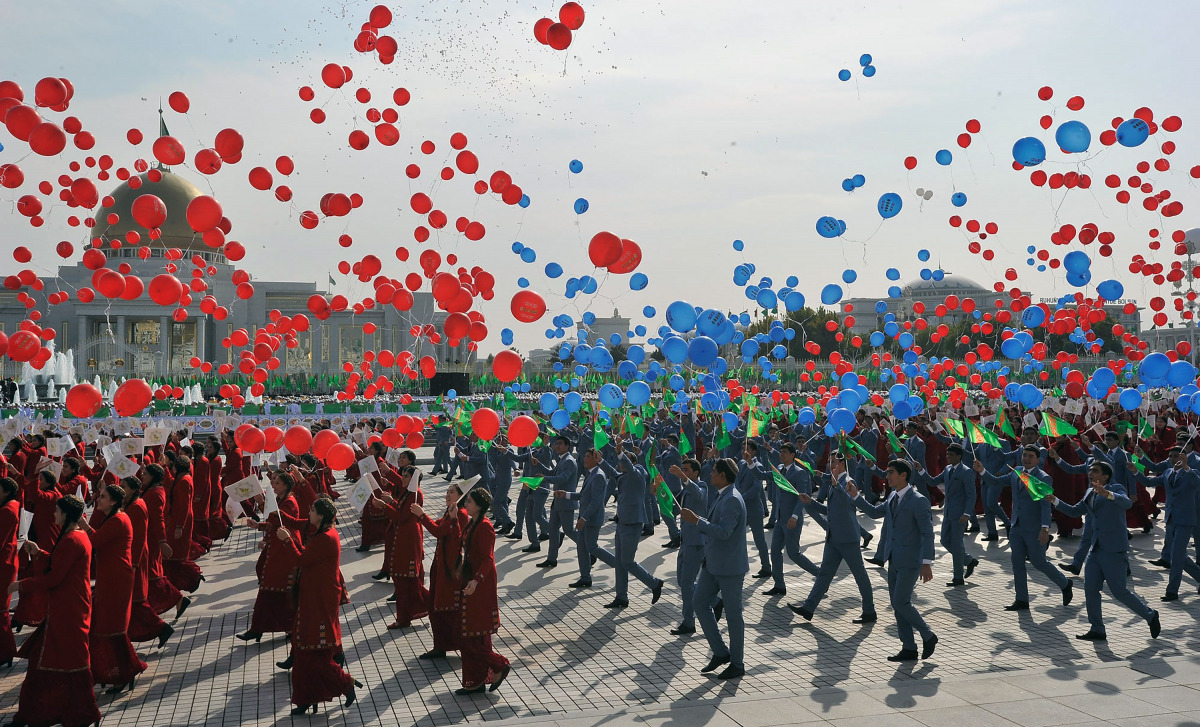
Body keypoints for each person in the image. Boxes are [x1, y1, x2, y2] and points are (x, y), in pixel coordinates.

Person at [6, 494, 103, 727]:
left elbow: (54, 577)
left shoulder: (72, 539)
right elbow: (59, 566)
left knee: (63, 663)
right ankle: (33, 715)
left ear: (67, 514)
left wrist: (22, 584)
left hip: (68, 610)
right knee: (47, 663)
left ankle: (78, 713)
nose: (54, 514)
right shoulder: (75, 537)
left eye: (57, 511)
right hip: (66, 607)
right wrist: (39, 553)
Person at [1049, 460, 1161, 641]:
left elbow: (1126, 504)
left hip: (1114, 549)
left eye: (1094, 471)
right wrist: (1055, 500)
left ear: (1105, 476)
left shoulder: (1116, 488)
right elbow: (1074, 511)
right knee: (1090, 589)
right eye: (1090, 470)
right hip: (1096, 549)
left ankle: (1150, 615)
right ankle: (1097, 628)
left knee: (1119, 591)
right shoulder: (1089, 492)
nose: (1090, 473)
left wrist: (1107, 494)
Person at [277, 495, 361, 715]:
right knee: (304, 651)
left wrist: (287, 540)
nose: (309, 513)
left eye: (312, 510)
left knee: (313, 653)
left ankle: (345, 683)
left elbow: (301, 560)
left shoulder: (326, 537)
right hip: (313, 598)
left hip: (319, 602)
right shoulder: (323, 533)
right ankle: (305, 698)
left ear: (322, 515)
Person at [853, 459, 938, 662]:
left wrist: (926, 563)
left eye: (891, 473)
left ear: (903, 476)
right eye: (888, 472)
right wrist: (855, 495)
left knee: (901, 601)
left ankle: (928, 635)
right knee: (896, 604)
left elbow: (928, 533)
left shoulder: (918, 500)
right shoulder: (892, 495)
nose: (887, 476)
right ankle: (908, 647)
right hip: (893, 558)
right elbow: (874, 513)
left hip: (911, 560)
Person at [976, 446, 1074, 612]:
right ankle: (1021, 600)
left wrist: (1044, 528)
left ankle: (1065, 583)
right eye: (1024, 455)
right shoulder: (1016, 472)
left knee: (1039, 562)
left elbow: (1045, 505)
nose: (1026, 459)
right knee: (1017, 563)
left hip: (1034, 528)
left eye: (1030, 456)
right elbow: (996, 481)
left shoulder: (1043, 478)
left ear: (1038, 459)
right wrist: (982, 470)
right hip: (1016, 526)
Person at [680, 458, 747, 680]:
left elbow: (724, 532)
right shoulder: (723, 496)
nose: (710, 475)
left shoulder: (732, 500)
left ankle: (737, 663)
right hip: (713, 563)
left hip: (729, 567)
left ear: (723, 476)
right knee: (698, 602)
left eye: (714, 472)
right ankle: (720, 651)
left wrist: (696, 520)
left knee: (734, 616)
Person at [790, 455, 876, 624]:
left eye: (834, 462)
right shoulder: (833, 483)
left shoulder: (849, 483)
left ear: (843, 464)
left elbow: (849, 502)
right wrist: (810, 502)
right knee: (824, 574)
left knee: (860, 575)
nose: (830, 465)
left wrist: (838, 487)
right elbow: (829, 509)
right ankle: (809, 608)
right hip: (833, 537)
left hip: (848, 538)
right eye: (829, 462)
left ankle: (869, 611)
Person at [80, 483, 147, 694]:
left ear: (114, 501)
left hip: (116, 578)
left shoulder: (119, 519)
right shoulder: (116, 518)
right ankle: (120, 671)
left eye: (102, 497)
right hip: (112, 575)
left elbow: (94, 542)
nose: (98, 500)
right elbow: (101, 539)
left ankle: (127, 670)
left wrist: (82, 525)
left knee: (114, 627)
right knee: (110, 626)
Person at [455, 487, 511, 695]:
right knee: (470, 633)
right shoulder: (472, 523)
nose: (466, 504)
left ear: (479, 505)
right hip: (470, 581)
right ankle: (475, 681)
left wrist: (477, 581)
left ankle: (499, 664)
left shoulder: (485, 527)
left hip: (481, 584)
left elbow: (488, 558)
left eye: (469, 501)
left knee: (469, 633)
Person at [595, 442, 664, 608]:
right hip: (622, 523)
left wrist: (621, 453)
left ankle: (654, 583)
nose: (620, 465)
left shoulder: (638, 474)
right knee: (620, 562)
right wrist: (600, 461)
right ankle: (621, 596)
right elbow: (613, 473)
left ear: (630, 462)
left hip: (633, 524)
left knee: (627, 561)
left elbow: (630, 468)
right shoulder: (625, 476)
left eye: (622, 462)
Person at [237, 472, 302, 643]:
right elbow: (274, 522)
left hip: (285, 550)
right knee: (267, 589)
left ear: (286, 486)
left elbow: (279, 520)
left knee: (280, 589)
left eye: (278, 483)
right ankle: (257, 628)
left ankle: (288, 627)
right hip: (276, 548)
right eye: (274, 482)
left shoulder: (290, 502)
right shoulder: (281, 500)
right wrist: (259, 525)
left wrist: (261, 503)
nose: (274, 485)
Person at [1131, 448, 1199, 601]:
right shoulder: (1168, 473)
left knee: (1176, 556)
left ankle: (1172, 591)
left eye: (1177, 456)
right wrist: (1136, 472)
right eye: (1171, 456)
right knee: (1181, 555)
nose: (1173, 459)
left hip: (1185, 520)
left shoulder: (1190, 473)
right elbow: (1149, 481)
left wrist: (1187, 466)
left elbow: (1196, 482)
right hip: (1170, 518)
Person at [412, 483, 468, 659]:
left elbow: (439, 531)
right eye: (447, 491)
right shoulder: (450, 511)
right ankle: (440, 646)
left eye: (452, 492)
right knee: (436, 606)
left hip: (450, 568)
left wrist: (422, 516)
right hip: (440, 565)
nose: (447, 495)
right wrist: (421, 517)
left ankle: (460, 645)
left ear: (461, 496)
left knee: (446, 607)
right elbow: (437, 525)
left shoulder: (461, 514)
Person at [372, 466, 429, 629]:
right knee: (404, 582)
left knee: (407, 581)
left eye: (405, 476)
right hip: (403, 538)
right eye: (402, 475)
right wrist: (391, 502)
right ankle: (408, 615)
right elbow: (401, 509)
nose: (402, 479)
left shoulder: (415, 494)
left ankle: (422, 609)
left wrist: (384, 506)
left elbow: (402, 516)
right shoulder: (408, 493)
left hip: (409, 540)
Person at [763, 443, 820, 596]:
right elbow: (762, 475)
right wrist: (749, 463)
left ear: (793, 455)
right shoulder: (780, 470)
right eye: (780, 452)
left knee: (793, 553)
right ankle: (779, 585)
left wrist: (795, 515)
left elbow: (801, 497)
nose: (781, 455)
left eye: (785, 452)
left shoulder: (799, 472)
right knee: (774, 551)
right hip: (780, 519)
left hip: (791, 520)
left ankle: (821, 576)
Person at [920, 443, 979, 586]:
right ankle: (968, 560)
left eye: (951, 455)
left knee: (957, 544)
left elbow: (971, 495)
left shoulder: (966, 472)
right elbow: (933, 481)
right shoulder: (947, 469)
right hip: (948, 512)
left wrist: (967, 513)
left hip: (960, 514)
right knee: (945, 541)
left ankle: (958, 577)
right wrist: (921, 470)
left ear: (959, 456)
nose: (948, 457)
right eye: (947, 454)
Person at [668, 458, 707, 635]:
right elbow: (673, 508)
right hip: (686, 541)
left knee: (686, 582)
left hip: (697, 542)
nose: (683, 473)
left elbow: (699, 494)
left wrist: (684, 478)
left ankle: (688, 621)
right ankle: (714, 600)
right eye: (682, 470)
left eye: (686, 470)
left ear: (695, 473)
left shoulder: (702, 487)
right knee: (682, 580)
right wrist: (659, 494)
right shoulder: (684, 491)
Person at [529, 436, 580, 569]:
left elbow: (562, 478)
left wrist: (544, 478)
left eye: (561, 444)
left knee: (569, 531)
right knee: (552, 530)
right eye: (556, 443)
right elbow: (552, 472)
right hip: (557, 502)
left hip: (566, 502)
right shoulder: (562, 460)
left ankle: (588, 549)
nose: (557, 446)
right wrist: (538, 464)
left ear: (567, 446)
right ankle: (552, 559)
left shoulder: (568, 461)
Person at [0, 477, 18, 667]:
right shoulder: (10, 506)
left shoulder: (7, 510)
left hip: (3, 565)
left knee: (1, 611)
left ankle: (6, 651)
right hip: (7, 562)